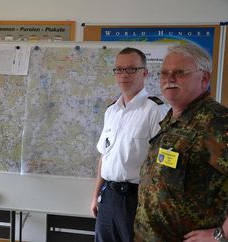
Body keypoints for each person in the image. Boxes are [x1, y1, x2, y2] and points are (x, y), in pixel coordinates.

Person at [134, 43, 228, 241]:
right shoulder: (172, 118)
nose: (169, 78)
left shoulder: (216, 121)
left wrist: (221, 234)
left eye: (180, 72)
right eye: (164, 73)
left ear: (204, 78)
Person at [91, 47, 168, 242]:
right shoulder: (111, 111)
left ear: (145, 72)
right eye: (119, 69)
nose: (124, 74)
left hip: (137, 199)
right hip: (108, 197)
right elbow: (104, 157)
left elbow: (163, 164)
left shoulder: (155, 110)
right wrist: (96, 196)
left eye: (131, 69)